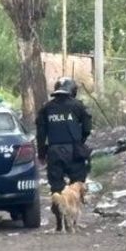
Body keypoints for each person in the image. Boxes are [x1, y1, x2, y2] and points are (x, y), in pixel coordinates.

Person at [35, 77, 93, 229]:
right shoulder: (78, 106)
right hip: (74, 151)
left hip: (54, 152)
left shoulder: (46, 108)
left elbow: (40, 134)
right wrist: (79, 141)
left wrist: (41, 154)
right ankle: (73, 221)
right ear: (72, 91)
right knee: (77, 185)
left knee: (56, 188)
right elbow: (87, 127)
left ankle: (60, 223)